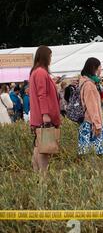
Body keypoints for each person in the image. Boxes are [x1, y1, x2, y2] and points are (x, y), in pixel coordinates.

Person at [29, 45, 61, 176]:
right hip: (44, 117)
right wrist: (46, 114)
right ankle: (43, 176)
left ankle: (37, 175)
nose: (51, 58)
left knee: (38, 146)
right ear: (45, 56)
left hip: (38, 116)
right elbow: (42, 95)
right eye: (50, 56)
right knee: (44, 149)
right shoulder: (41, 72)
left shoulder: (35, 72)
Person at [78, 58, 103, 155]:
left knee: (89, 155)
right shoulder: (89, 85)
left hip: (89, 122)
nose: (101, 69)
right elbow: (92, 107)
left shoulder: (87, 82)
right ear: (94, 68)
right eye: (100, 67)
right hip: (92, 123)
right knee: (96, 155)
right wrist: (97, 125)